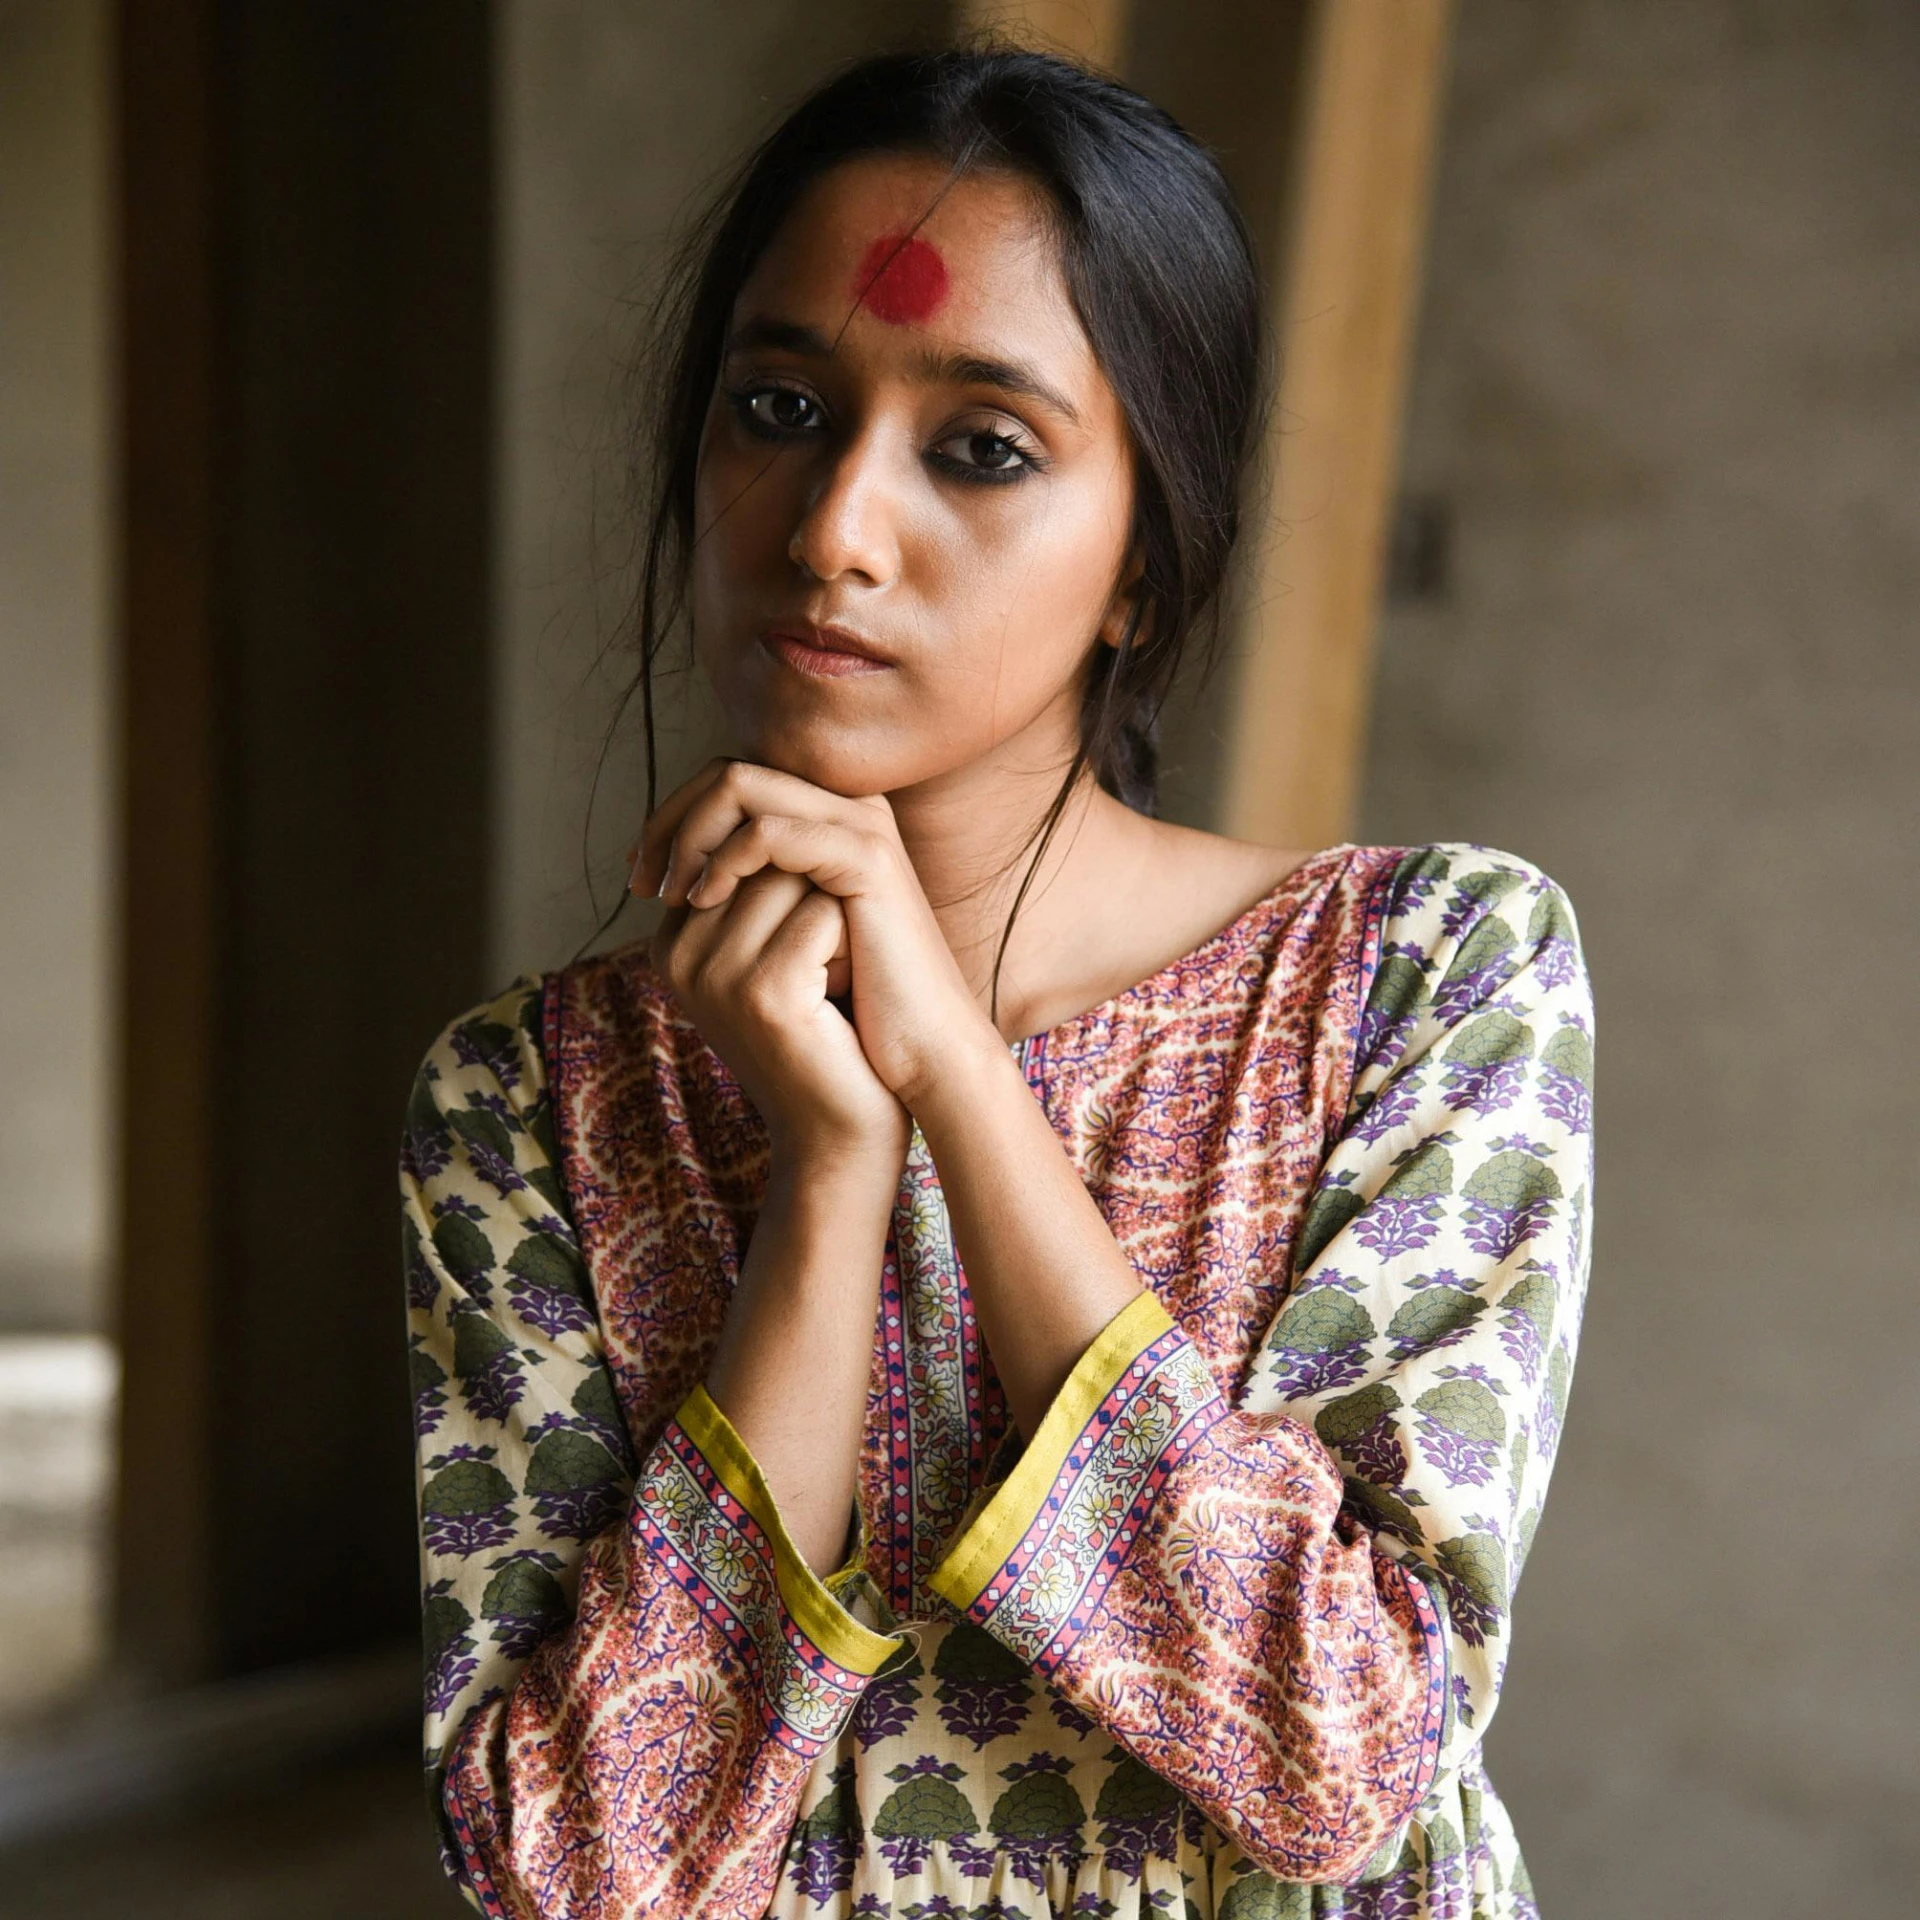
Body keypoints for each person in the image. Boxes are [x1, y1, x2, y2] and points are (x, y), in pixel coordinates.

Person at [403, 42, 1593, 1920]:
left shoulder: (1425, 979)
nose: (831, 530)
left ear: (1142, 559)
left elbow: (1334, 1749)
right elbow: (585, 1877)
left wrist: (959, 1078)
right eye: (777, 406)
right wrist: (828, 1174)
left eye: (981, 448)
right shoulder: (530, 1103)